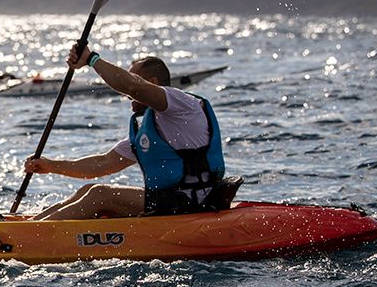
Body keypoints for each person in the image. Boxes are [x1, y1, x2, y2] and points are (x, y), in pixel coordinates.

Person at [23, 45, 228, 220]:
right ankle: (25, 225)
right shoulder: (148, 128)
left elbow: (131, 86)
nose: (126, 95)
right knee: (88, 191)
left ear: (153, 83)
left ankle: (30, 235)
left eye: (135, 79)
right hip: (172, 199)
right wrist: (50, 165)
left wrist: (91, 59)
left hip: (194, 201)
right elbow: (102, 164)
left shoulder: (182, 104)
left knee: (100, 194)